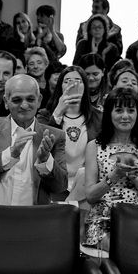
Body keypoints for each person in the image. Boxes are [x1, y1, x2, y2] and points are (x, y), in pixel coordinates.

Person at [0, 74, 67, 205]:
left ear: (39, 100)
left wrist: (45, 161)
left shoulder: (55, 136)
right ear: (6, 102)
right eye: (17, 100)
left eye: (30, 99)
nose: (24, 106)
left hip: (33, 218)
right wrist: (11, 154)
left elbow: (60, 187)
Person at [83, 87, 138, 250]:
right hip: (103, 219)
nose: (125, 116)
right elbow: (90, 196)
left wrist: (137, 181)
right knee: (117, 246)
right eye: (118, 110)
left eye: (131, 110)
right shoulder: (94, 146)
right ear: (109, 114)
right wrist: (114, 176)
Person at [38, 65, 102, 196]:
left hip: (86, 184)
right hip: (55, 183)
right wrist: (57, 113)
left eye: (78, 81)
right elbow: (40, 145)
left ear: (85, 86)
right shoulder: (45, 115)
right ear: (60, 86)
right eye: (67, 81)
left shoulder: (98, 117)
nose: (72, 86)